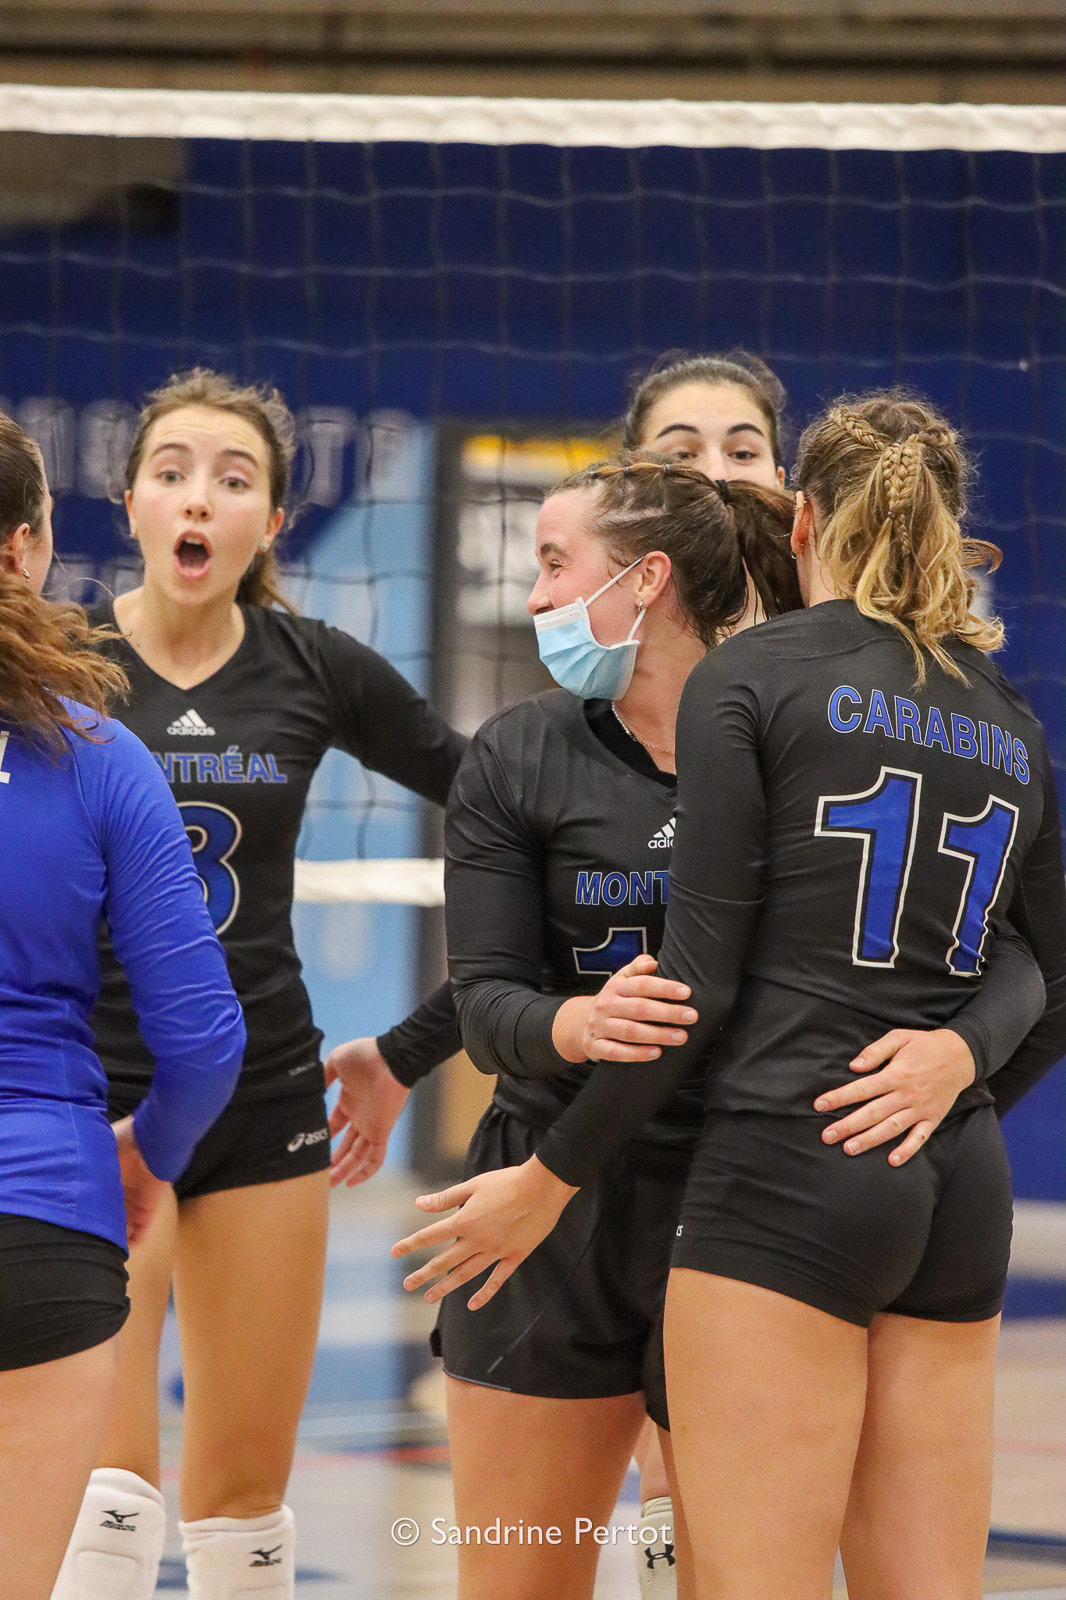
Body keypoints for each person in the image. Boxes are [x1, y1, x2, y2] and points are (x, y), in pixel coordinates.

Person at [400, 393, 1066, 1600]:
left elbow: (699, 985)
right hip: (937, 1170)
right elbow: (1039, 966)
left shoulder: (753, 682)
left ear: (800, 519)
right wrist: (959, 1077)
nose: (540, 597)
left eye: (556, 563)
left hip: (772, 1166)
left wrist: (546, 1178)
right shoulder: (1004, 713)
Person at [52, 369, 467, 1600]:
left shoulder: (314, 665)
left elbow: (503, 804)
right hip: (95, 1098)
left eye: (233, 481)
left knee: (242, 1510)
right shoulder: (59, 667)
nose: (199, 498)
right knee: (104, 1496)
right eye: (172, 471)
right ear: (131, 502)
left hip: (262, 1095)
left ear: (272, 522)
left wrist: (421, 1040)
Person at [0, 411, 245, 1599]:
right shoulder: (100, 754)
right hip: (45, 1219)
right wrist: (151, 1153)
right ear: (30, 544)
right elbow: (203, 1038)